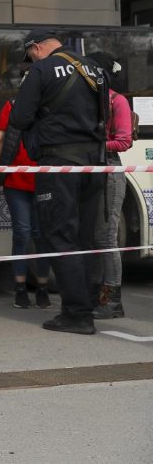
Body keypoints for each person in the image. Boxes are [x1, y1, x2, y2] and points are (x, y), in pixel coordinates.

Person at [9, 29, 108, 335]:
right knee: (86, 236)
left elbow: (20, 117)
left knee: (59, 236)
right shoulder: (94, 68)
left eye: (30, 55)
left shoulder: (41, 69)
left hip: (59, 162)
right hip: (94, 162)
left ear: (36, 48)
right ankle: (90, 303)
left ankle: (76, 314)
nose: (31, 60)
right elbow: (105, 112)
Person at [0, 65, 52, 310]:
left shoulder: (49, 108)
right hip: (15, 180)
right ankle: (21, 288)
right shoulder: (12, 107)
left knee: (41, 234)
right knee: (23, 233)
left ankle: (43, 288)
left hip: (45, 179)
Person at [88, 52, 134, 319]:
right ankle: (97, 296)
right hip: (91, 169)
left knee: (106, 237)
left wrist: (92, 146)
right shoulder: (90, 101)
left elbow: (124, 141)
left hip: (109, 169)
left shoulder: (118, 102)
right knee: (95, 237)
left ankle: (112, 300)